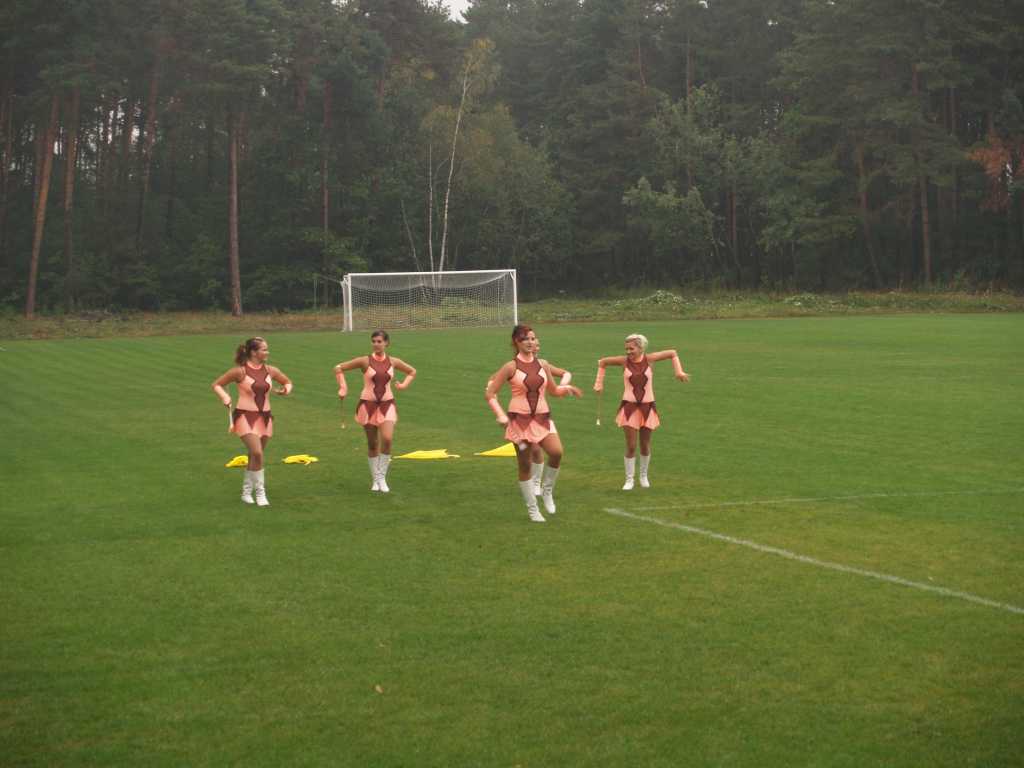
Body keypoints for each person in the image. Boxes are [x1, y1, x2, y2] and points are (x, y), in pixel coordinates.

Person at [485, 324, 583, 522]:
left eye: (532, 338)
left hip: (542, 417)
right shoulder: (510, 366)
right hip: (519, 421)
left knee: (556, 452)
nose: (530, 342)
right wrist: (500, 415)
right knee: (525, 465)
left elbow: (553, 391)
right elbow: (490, 393)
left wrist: (567, 389)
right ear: (517, 342)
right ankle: (533, 509)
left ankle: (547, 491)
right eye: (525, 339)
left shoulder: (543, 364)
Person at [594, 333, 690, 490]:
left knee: (645, 444)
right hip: (629, 408)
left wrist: (678, 371)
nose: (628, 352)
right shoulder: (624, 361)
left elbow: (672, 353)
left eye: (631, 348)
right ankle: (629, 479)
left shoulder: (650, 359)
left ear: (641, 348)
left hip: (648, 407)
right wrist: (599, 383)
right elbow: (602, 362)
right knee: (631, 446)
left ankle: (644, 476)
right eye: (626, 349)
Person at [212, 337, 293, 506]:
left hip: (265, 417)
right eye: (264, 349)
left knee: (254, 456)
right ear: (253, 352)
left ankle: (246, 492)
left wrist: (286, 390)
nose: (267, 352)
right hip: (244, 416)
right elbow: (217, 384)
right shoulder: (239, 372)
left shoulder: (271, 370)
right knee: (257, 453)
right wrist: (225, 396)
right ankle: (261, 493)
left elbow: (287, 382)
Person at [333, 330, 416, 493]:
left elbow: (412, 371)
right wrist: (343, 387)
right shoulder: (364, 361)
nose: (376, 344)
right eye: (374, 341)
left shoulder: (394, 361)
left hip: (387, 404)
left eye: (379, 341)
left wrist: (403, 385)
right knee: (372, 443)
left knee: (387, 439)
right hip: (368, 405)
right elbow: (338, 368)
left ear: (386, 343)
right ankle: (375, 480)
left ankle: (381, 477)